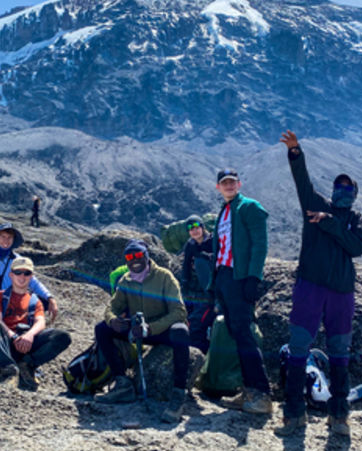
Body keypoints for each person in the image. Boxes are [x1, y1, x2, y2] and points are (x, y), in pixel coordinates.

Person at [277, 130, 362, 436]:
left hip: (341, 293)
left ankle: (339, 415)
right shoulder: (314, 203)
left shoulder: (355, 219)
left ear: (354, 192)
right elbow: (302, 182)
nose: (342, 189)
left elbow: (356, 248)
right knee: (299, 345)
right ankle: (293, 414)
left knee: (340, 348)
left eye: (348, 186)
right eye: (339, 185)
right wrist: (295, 152)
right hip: (310, 287)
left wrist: (328, 223)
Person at [94, 239, 190, 423]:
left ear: (146, 256)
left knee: (181, 331)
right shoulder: (126, 281)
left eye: (138, 255)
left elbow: (179, 312)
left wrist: (151, 328)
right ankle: (122, 383)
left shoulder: (164, 277)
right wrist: (113, 320)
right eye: (130, 257)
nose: (134, 260)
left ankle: (179, 393)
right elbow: (111, 307)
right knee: (102, 329)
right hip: (138, 330)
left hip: (161, 330)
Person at [210, 169, 272, 414]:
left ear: (239, 184)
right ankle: (249, 390)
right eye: (224, 183)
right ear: (218, 187)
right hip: (225, 277)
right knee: (237, 333)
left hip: (240, 278)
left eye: (232, 182)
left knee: (244, 334)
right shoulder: (225, 210)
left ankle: (262, 394)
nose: (228, 186)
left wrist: (253, 278)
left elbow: (260, 244)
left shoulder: (249, 207)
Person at [0, 256, 71, 390]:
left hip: (26, 343)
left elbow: (40, 322)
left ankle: (27, 364)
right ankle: (8, 370)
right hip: (5, 342)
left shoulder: (35, 301)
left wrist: (29, 336)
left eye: (27, 273)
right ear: (11, 275)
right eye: (18, 272)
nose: (22, 276)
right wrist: (15, 337)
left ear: (31, 276)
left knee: (63, 336)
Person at [181, 214, 214, 353]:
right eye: (190, 228)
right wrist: (184, 283)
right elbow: (186, 265)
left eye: (196, 227)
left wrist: (205, 257)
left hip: (212, 287)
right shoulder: (190, 244)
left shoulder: (213, 240)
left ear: (202, 227)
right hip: (196, 288)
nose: (194, 231)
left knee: (197, 322)